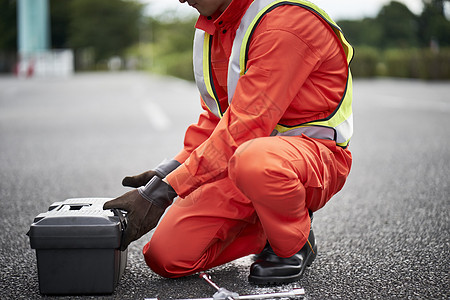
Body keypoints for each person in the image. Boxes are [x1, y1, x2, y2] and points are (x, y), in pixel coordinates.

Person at [104, 0, 354, 284]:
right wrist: (168, 171)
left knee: (256, 160)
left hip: (310, 159)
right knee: (167, 257)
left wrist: (164, 191)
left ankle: (294, 243)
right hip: (245, 162)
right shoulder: (213, 27)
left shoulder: (286, 20)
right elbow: (217, 119)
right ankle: (270, 220)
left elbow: (246, 127)